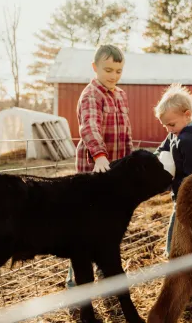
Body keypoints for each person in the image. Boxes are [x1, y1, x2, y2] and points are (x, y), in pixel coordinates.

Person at [66, 44, 133, 289]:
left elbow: (126, 132)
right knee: (86, 226)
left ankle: (106, 271)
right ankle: (76, 282)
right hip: (94, 169)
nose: (113, 75)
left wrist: (128, 163)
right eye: (108, 69)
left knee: (108, 224)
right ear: (94, 68)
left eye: (118, 70)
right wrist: (100, 155)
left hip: (114, 171)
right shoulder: (91, 95)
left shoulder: (121, 95)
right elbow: (89, 127)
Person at [153, 83, 192, 256]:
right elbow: (162, 148)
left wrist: (186, 193)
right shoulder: (176, 132)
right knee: (187, 224)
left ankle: (175, 254)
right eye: (165, 126)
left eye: (170, 125)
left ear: (187, 115)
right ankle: (185, 254)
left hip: (190, 193)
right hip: (181, 190)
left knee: (181, 222)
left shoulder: (190, 141)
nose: (168, 130)